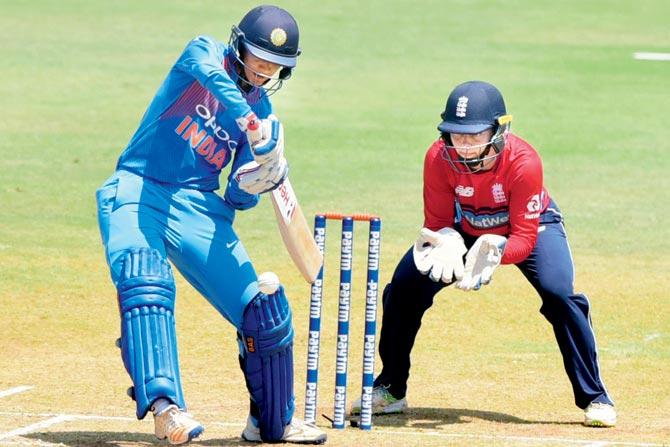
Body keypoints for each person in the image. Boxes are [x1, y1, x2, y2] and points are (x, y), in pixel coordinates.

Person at [95, 5, 326, 445]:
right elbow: (212, 77)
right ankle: (166, 409)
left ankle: (271, 424)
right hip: (138, 187)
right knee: (145, 279)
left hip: (198, 207)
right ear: (238, 45)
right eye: (259, 58)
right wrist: (251, 121)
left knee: (264, 310)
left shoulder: (264, 116)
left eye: (274, 66)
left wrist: (258, 178)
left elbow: (237, 195)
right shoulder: (204, 53)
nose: (264, 71)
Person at [350, 80, 616, 427]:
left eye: (474, 136)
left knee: (559, 293)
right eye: (456, 135)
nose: (464, 146)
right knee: (403, 288)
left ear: (498, 130)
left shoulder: (524, 162)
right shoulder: (437, 157)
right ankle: (391, 387)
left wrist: (495, 253)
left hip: (528, 226)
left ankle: (595, 397)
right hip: (464, 228)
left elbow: (523, 238)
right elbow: (439, 221)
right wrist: (447, 241)